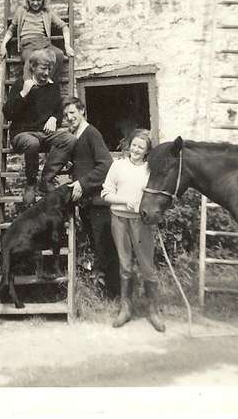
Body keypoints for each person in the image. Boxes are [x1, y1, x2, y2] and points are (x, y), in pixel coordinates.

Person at [101, 128, 166, 332]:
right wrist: (125, 200)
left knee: (148, 267)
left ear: (147, 151)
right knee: (125, 266)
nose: (136, 149)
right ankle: (125, 309)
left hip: (141, 223)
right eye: (134, 145)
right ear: (129, 145)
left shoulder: (149, 170)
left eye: (141, 147)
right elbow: (106, 194)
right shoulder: (118, 166)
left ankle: (153, 311)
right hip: (119, 221)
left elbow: (157, 196)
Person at [3, 48, 76, 204]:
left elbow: (58, 110)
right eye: (43, 68)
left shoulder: (53, 86)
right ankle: (30, 184)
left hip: (45, 134)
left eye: (49, 69)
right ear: (33, 67)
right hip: (23, 134)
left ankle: (46, 179)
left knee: (69, 139)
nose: (47, 73)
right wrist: (23, 94)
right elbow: (8, 114)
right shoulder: (21, 84)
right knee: (32, 143)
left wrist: (54, 118)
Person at [62, 97, 119, 299]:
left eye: (72, 113)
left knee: (106, 249)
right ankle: (107, 294)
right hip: (87, 203)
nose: (69, 118)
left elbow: (106, 165)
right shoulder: (76, 135)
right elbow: (87, 164)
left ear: (82, 111)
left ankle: (116, 295)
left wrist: (81, 183)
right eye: (66, 114)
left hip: (98, 203)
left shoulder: (91, 133)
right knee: (98, 247)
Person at [0, 0, 74, 83]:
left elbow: (64, 26)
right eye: (32, 0)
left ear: (43, 0)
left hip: (44, 43)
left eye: (38, 0)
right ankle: (29, 86)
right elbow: (11, 29)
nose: (35, 3)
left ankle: (46, 81)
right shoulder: (21, 11)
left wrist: (67, 45)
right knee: (30, 61)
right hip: (28, 45)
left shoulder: (47, 12)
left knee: (59, 54)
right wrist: (3, 45)